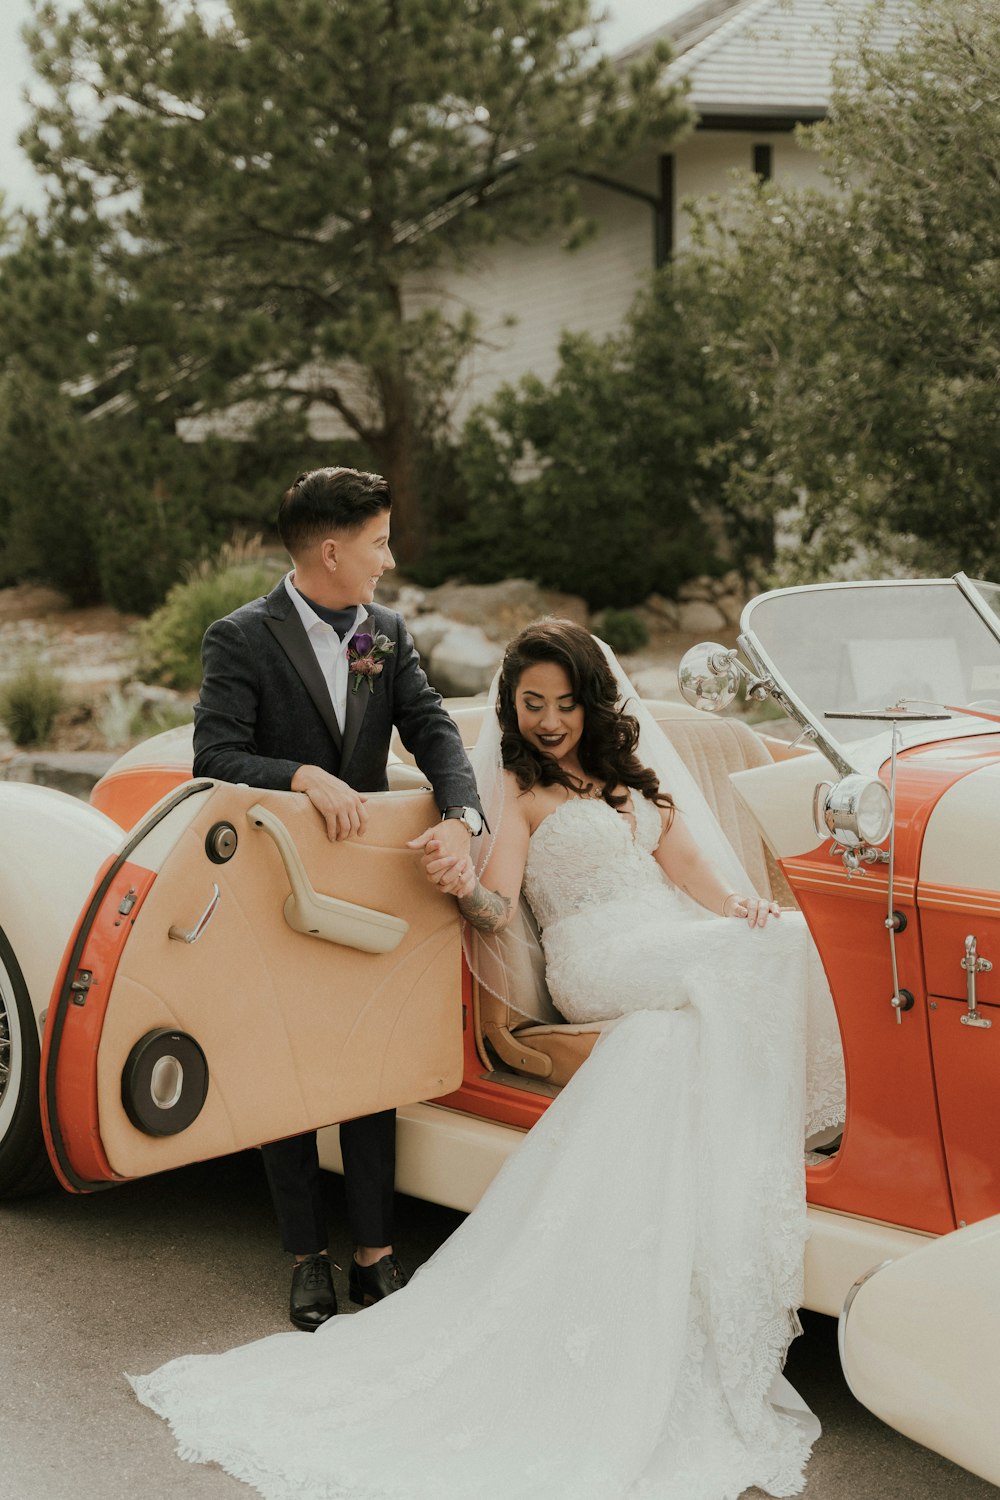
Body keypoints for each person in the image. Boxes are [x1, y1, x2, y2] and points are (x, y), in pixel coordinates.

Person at [132, 619, 845, 1500]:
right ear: (513, 709)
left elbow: (697, 870)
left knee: (752, 963)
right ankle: (798, 1121)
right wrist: (464, 882)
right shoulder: (520, 783)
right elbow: (498, 905)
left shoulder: (631, 781)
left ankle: (736, 1178)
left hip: (668, 938)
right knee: (746, 967)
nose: (547, 721)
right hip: (597, 957)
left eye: (564, 704)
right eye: (530, 703)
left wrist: (743, 906)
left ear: (593, 702)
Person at [191, 465, 485, 1332]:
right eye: (379, 543)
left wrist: (464, 817)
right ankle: (304, 1257)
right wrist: (302, 773)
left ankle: (375, 1252)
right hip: (276, 881)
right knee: (288, 1066)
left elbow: (433, 730)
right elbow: (213, 756)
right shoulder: (239, 637)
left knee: (369, 1065)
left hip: (364, 885)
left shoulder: (384, 633)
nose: (388, 560)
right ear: (331, 549)